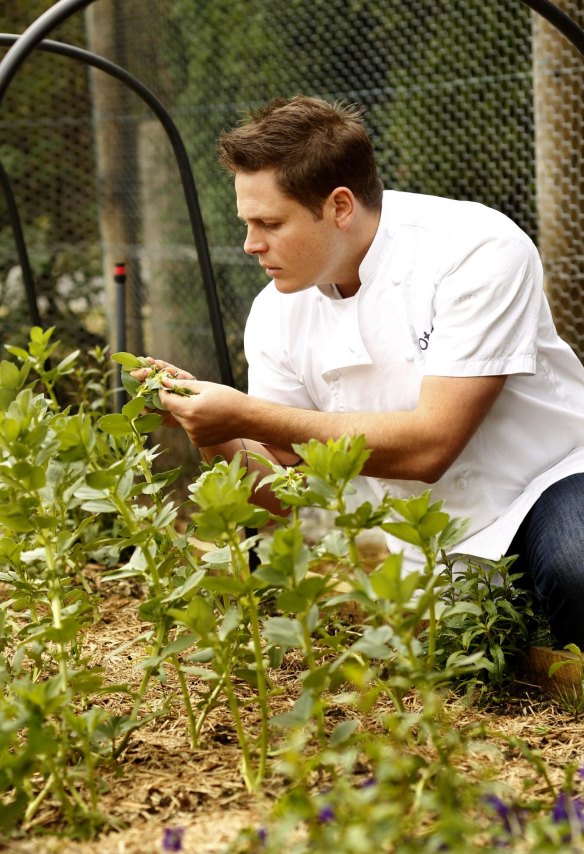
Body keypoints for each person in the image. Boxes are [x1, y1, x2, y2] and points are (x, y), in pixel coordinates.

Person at [136, 95, 584, 647]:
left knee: (576, 564)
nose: (251, 245)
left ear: (340, 206)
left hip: (549, 482)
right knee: (471, 649)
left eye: (269, 223)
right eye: (247, 223)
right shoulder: (277, 311)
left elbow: (430, 446)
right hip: (428, 539)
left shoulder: (475, 249)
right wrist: (216, 431)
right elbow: (279, 497)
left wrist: (248, 412)